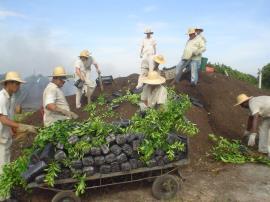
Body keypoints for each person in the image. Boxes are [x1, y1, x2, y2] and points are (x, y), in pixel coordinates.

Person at [0, 71, 37, 201]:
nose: (17, 86)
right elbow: (3, 119)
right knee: (2, 170)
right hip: (1, 140)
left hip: (6, 138)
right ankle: (3, 198)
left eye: (18, 83)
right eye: (15, 83)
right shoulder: (2, 97)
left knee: (5, 168)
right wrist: (20, 126)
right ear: (7, 83)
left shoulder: (11, 97)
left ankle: (6, 194)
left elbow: (9, 118)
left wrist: (14, 130)